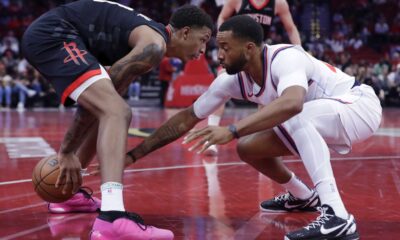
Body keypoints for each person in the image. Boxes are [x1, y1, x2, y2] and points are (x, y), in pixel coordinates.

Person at [125, 16, 381, 240]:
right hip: (322, 114)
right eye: (217, 47)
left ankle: (337, 215)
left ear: (249, 48)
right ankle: (303, 196)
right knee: (249, 148)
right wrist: (134, 154)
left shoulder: (286, 57)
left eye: (225, 48)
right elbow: (187, 117)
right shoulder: (230, 80)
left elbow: (292, 103)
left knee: (292, 112)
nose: (219, 55)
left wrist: (233, 129)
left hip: (359, 106)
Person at [22, 0, 213, 239]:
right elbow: (97, 109)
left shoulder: (147, 42)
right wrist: (67, 151)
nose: (204, 49)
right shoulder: (153, 46)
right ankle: (112, 217)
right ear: (185, 32)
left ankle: (69, 194)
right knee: (117, 112)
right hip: (54, 34)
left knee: (111, 112)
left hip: (63, 33)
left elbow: (99, 108)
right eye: (203, 39)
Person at [205, 0, 301, 155]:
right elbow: (222, 18)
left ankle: (262, 141)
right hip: (236, 53)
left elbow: (291, 28)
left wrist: (299, 50)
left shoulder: (279, 3)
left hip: (258, 55)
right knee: (220, 86)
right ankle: (211, 139)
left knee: (265, 97)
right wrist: (224, 43)